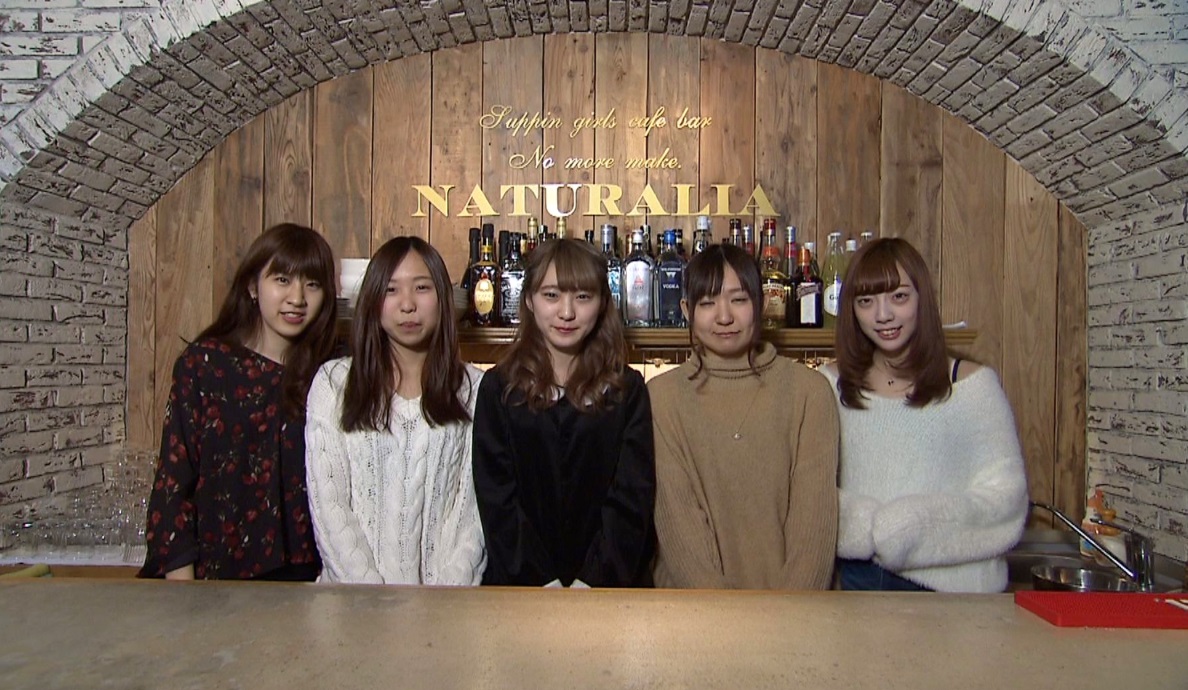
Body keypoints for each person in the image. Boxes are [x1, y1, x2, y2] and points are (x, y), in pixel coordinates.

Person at [819, 237, 1028, 593]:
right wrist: (864, 527)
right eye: (866, 301)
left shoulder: (973, 386)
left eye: (899, 297)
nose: (883, 315)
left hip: (954, 591)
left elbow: (1006, 498)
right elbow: (807, 488)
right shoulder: (828, 385)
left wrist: (912, 526)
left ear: (922, 299)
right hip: (856, 580)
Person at [140, 223, 338, 580]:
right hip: (215, 577)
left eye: (312, 284)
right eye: (282, 280)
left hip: (310, 579)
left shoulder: (331, 375)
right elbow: (173, 484)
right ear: (252, 286)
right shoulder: (205, 365)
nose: (297, 298)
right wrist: (182, 590)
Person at [649, 243, 839, 589]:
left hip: (795, 612)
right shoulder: (661, 398)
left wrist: (791, 614)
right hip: (692, 612)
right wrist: (722, 616)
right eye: (707, 303)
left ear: (762, 304)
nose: (724, 317)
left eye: (738, 300)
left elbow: (813, 529)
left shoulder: (809, 392)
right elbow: (678, 526)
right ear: (687, 310)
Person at [473, 238, 655, 588]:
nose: (567, 312)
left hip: (611, 593)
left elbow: (632, 500)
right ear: (529, 300)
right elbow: (497, 501)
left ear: (603, 303)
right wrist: (541, 582)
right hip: (519, 593)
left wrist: (592, 582)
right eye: (552, 295)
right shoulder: (499, 389)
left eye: (583, 296)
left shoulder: (626, 390)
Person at [304, 237, 485, 585]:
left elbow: (475, 515)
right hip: (350, 605)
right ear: (373, 299)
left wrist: (447, 598)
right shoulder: (334, 383)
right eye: (391, 290)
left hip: (449, 605)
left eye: (422, 288)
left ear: (443, 298)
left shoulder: (475, 390)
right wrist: (373, 599)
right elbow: (330, 507)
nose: (407, 305)